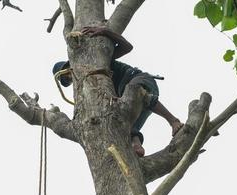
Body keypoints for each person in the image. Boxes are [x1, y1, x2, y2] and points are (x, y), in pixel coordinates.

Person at [53, 27, 183, 157]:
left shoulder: (97, 62)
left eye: (68, 72)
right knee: (122, 122)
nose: (70, 76)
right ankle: (136, 145)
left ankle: (173, 121)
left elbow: (127, 47)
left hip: (138, 80)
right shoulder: (88, 87)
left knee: (135, 90)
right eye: (67, 79)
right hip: (129, 99)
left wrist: (105, 31)